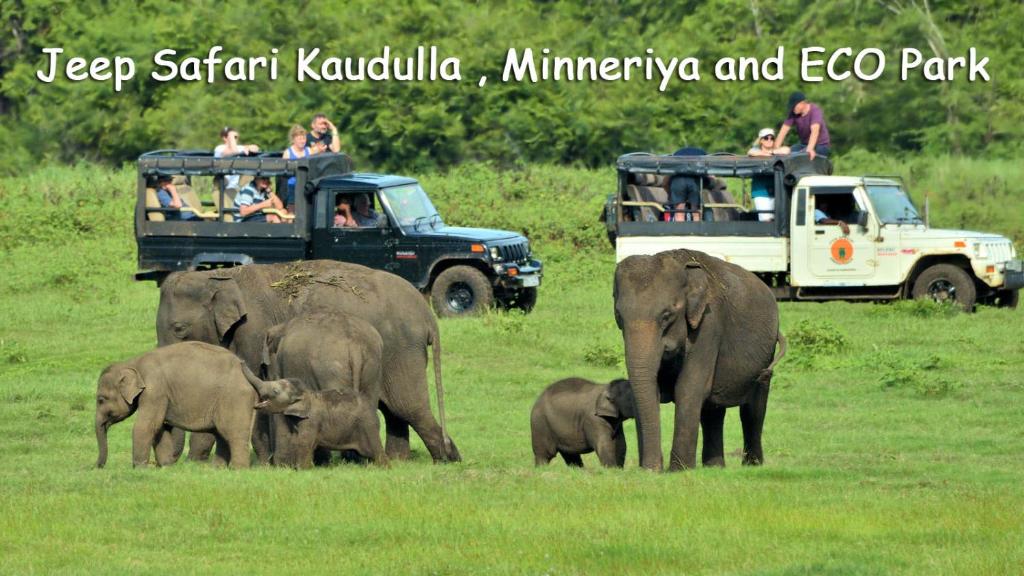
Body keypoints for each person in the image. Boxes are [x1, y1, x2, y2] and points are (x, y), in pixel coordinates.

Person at [746, 128, 790, 222]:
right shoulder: (755, 151)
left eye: (772, 138)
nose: (769, 140)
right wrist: (764, 154)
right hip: (761, 191)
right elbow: (750, 152)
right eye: (766, 138)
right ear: (761, 140)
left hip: (777, 191)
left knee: (778, 220)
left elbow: (787, 150)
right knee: (766, 219)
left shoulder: (777, 151)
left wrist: (771, 152)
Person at [776, 91, 831, 161]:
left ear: (802, 103)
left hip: (821, 145)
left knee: (809, 156)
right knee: (789, 152)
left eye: (794, 106)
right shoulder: (793, 113)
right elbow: (782, 132)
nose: (792, 109)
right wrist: (776, 150)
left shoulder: (815, 111)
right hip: (804, 145)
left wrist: (809, 149)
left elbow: (815, 132)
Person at [213, 127, 260, 191]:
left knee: (249, 176)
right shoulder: (220, 148)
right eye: (234, 137)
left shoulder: (239, 147)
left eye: (236, 137)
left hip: (236, 186)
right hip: (222, 185)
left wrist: (249, 147)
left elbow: (256, 148)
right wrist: (231, 135)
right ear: (225, 138)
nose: (236, 139)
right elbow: (233, 151)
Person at [282, 125, 311, 210]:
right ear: (294, 139)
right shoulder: (287, 153)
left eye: (304, 138)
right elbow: (284, 173)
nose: (303, 141)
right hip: (292, 186)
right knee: (292, 209)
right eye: (300, 139)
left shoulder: (309, 151)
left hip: (306, 186)